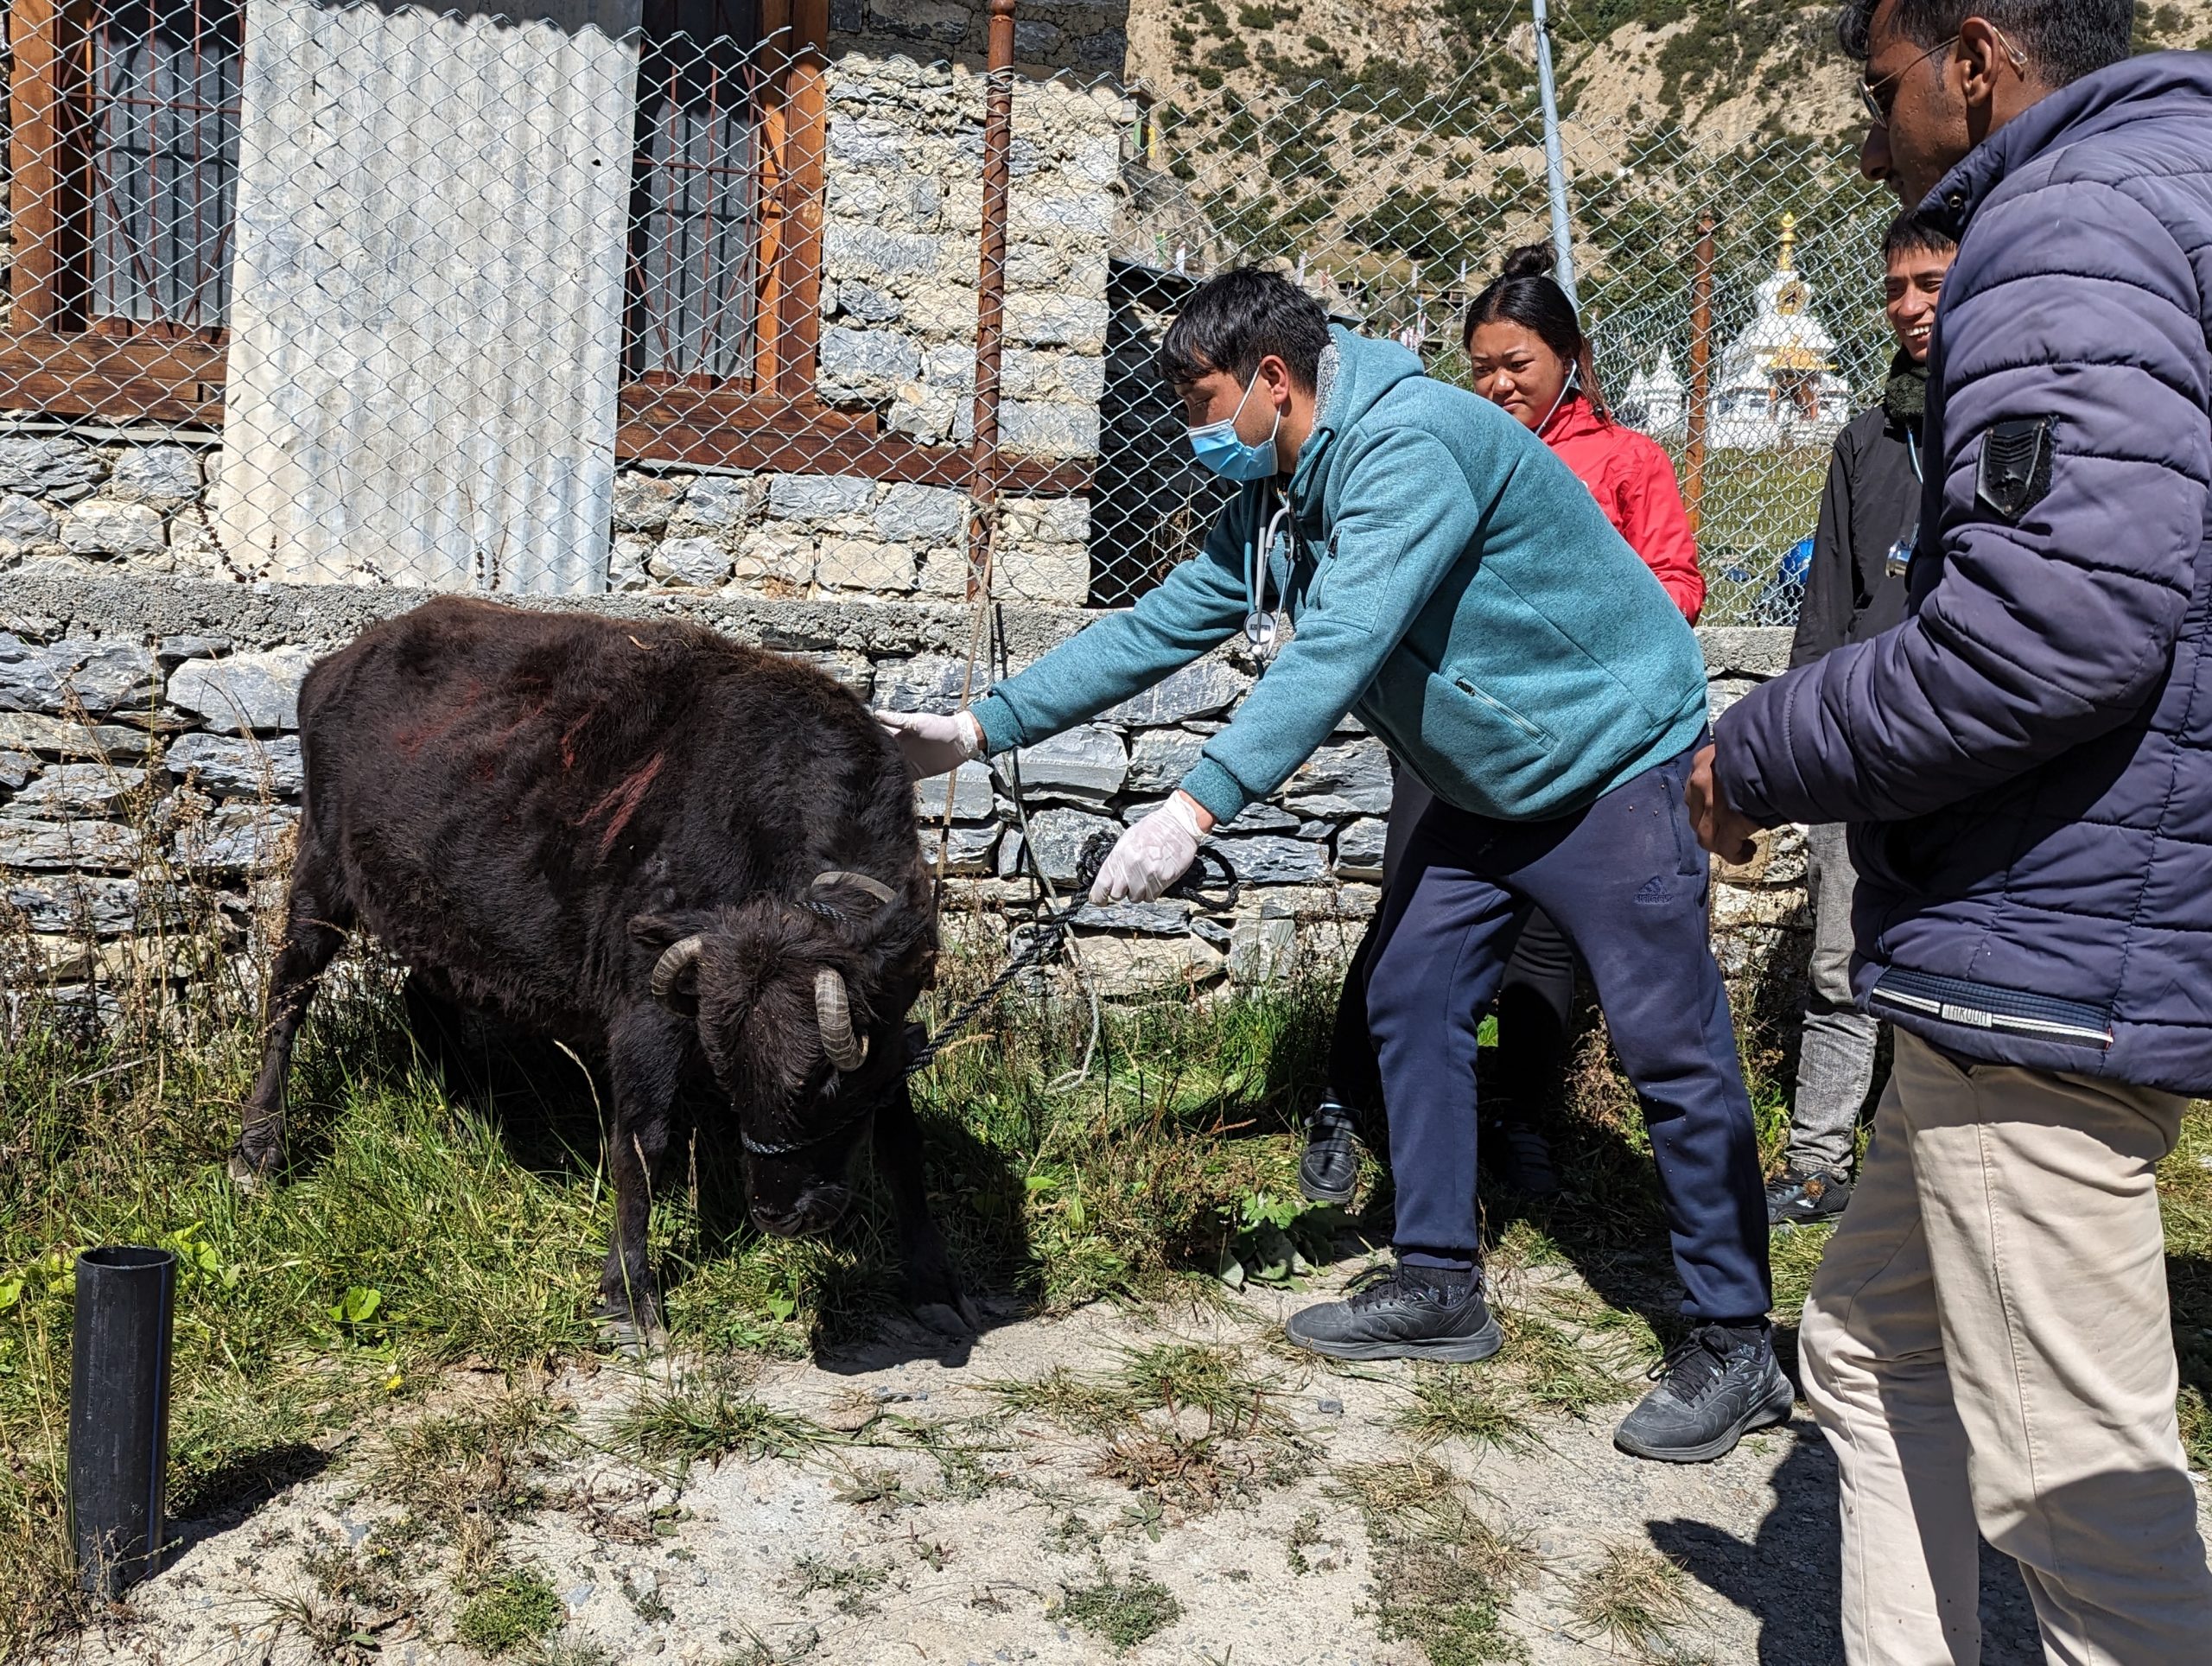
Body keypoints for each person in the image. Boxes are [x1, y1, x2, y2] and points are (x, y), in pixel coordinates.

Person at [887, 268, 1785, 1463]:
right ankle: (1437, 1283)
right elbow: (1165, 621)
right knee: (1413, 997)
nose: (1198, 436)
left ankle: (1736, 1339)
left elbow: (1340, 645)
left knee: (1671, 1046)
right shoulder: (1280, 484)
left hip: (1611, 757)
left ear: (1272, 377)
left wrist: (1194, 809)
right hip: (1489, 783)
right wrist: (982, 727)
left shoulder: (1409, 445)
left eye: (1207, 406)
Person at [1686, 1, 2212, 1655]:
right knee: (1863, 1348)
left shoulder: (2069, 222)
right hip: (2075, 914)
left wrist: (1754, 749)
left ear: (1974, 58)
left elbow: (2046, 628)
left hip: (2044, 932)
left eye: (1883, 90)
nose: (1869, 139)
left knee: (2079, 1493)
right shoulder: (2178, 189)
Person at [1298, 244, 1705, 1210]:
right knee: (1408, 905)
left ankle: (1519, 1114)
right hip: (1450, 739)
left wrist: (1594, 629)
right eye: (1479, 365)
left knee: (1546, 946)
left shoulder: (1626, 460)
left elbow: (1677, 584)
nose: (1495, 382)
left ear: (1565, 356)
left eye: (1514, 363)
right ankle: (1347, 1104)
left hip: (1579, 745)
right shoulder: (1443, 445)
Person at [1766, 207, 1956, 1230]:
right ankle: (1812, 1155)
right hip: (1862, 740)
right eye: (1896, 288)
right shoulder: (1866, 438)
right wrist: (1804, 741)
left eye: (1932, 283)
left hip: (1968, 746)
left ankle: (1913, 1170)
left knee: (1942, 966)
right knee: (1839, 959)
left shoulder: (2012, 416)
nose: (1911, 307)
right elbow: (1827, 605)